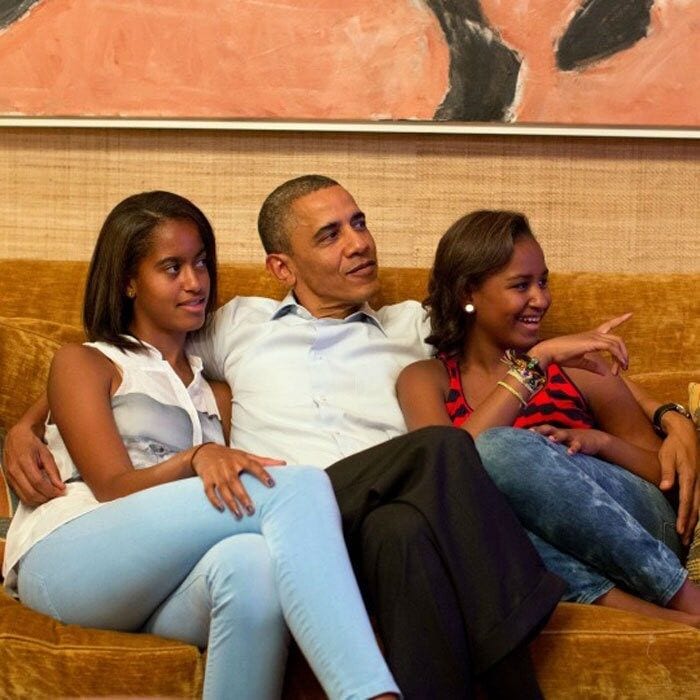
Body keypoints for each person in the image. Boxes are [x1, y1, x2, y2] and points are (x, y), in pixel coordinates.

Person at [4, 176, 696, 694]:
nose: (358, 242)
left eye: (358, 222)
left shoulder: (411, 326)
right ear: (283, 266)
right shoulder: (232, 322)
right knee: (440, 451)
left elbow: (533, 341)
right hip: (292, 509)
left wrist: (671, 416)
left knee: (407, 523)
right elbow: (122, 361)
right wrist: (27, 423)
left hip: (373, 526)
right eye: (329, 234)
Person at [2, 191, 400, 700]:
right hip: (69, 559)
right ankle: (368, 693)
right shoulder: (88, 361)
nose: (195, 282)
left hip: (158, 582)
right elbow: (113, 487)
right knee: (294, 487)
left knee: (252, 563)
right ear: (128, 281)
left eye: (201, 263)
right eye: (171, 268)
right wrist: (26, 425)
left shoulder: (214, 390)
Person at [396, 209, 700, 628]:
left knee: (500, 448)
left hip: (644, 531)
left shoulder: (580, 369)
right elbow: (448, 471)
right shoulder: (425, 379)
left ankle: (685, 596)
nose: (540, 299)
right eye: (521, 286)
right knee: (472, 502)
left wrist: (600, 442)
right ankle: (637, 612)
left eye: (543, 281)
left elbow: (664, 479)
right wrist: (534, 364)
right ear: (469, 291)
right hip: (544, 551)